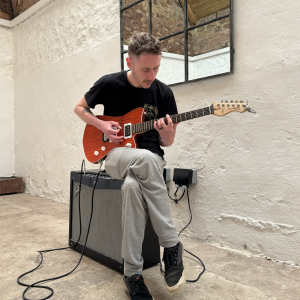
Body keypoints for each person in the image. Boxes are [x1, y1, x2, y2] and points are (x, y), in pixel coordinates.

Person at [74, 32, 186, 300]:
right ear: (129, 62)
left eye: (157, 68)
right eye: (145, 69)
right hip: (115, 155)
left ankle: (132, 274)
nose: (152, 75)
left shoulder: (164, 93)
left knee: (133, 188)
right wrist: (101, 125)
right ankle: (171, 245)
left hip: (152, 157)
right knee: (145, 160)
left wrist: (168, 131)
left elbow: (167, 143)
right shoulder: (109, 83)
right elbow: (80, 108)